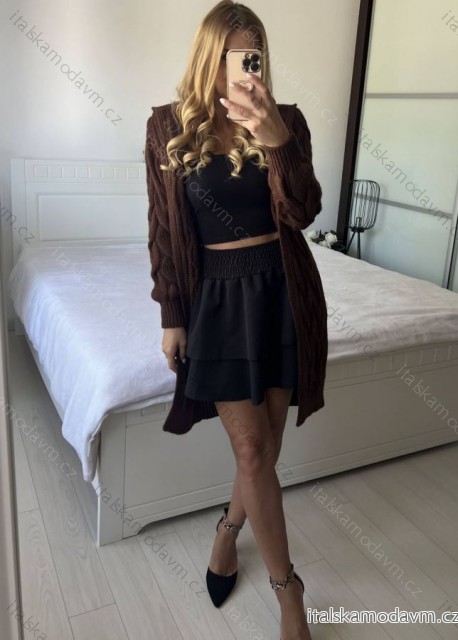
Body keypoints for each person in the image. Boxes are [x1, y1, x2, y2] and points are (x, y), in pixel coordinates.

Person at [145, 2, 328, 638]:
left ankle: (228, 530)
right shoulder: (167, 126)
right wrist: (172, 313)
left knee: (263, 449)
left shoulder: (287, 122)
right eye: (237, 54)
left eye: (257, 53)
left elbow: (303, 213)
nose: (249, 66)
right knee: (251, 449)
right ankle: (288, 590)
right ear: (210, 56)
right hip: (217, 300)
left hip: (281, 289)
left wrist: (276, 139)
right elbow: (164, 229)